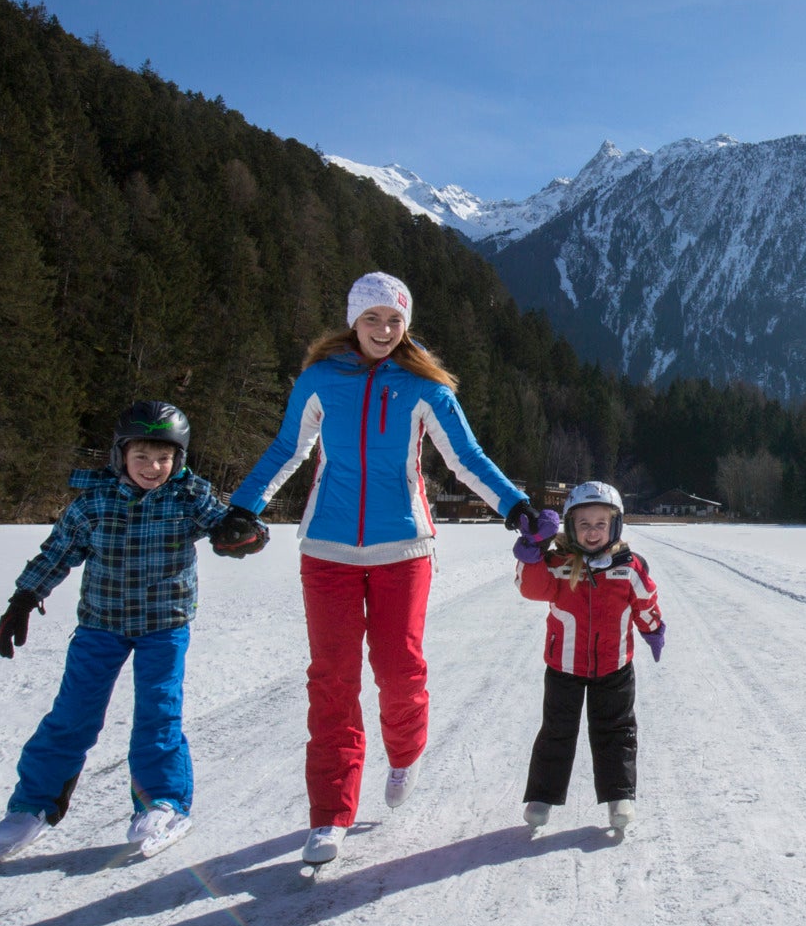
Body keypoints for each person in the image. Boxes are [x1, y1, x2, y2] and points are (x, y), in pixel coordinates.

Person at [219, 271, 556, 866]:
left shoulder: (424, 386)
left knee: (399, 668)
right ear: (354, 321)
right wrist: (244, 506)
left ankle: (404, 753)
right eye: (372, 319)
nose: (383, 329)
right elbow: (286, 449)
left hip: (404, 548)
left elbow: (464, 458)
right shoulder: (320, 379)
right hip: (326, 549)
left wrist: (515, 505)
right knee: (332, 678)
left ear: (407, 325)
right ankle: (329, 814)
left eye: (394, 320)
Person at [0, 400, 260, 861]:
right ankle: (33, 805)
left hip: (164, 626)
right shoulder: (93, 502)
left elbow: (227, 527)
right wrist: (25, 597)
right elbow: (58, 552)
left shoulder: (189, 496)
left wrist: (245, 533)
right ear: (121, 456)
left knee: (157, 714)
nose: (153, 468)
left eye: (164, 458)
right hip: (101, 625)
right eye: (142, 457)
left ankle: (164, 803)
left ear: (179, 459)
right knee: (72, 715)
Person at [513, 480, 665, 832]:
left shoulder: (629, 566)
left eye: (600, 524)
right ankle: (542, 796)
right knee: (556, 731)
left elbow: (646, 601)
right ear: (570, 527)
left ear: (615, 526)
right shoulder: (558, 564)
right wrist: (533, 551)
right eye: (584, 524)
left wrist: (653, 629)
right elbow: (529, 588)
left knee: (616, 731)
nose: (593, 532)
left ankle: (619, 796)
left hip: (614, 666)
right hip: (564, 665)